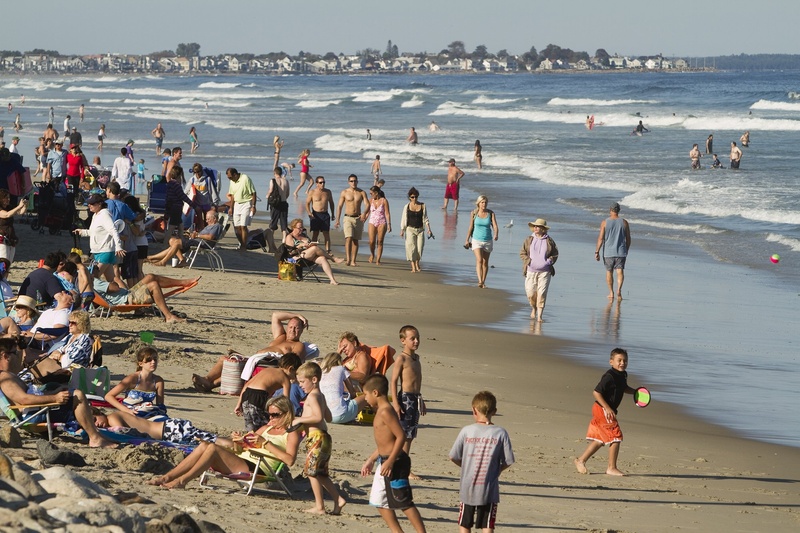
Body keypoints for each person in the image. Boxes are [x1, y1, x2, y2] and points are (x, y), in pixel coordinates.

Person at [145, 396, 299, 490]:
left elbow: (290, 460)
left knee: (212, 447)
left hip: (259, 468)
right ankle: (167, 478)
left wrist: (265, 444)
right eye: (269, 414)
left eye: (275, 415)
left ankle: (182, 481)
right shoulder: (265, 428)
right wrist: (239, 442)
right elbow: (241, 449)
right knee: (205, 445)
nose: (270, 418)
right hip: (242, 460)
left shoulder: (291, 434)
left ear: (287, 414)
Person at [0, 338, 116, 449]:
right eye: (16, 353)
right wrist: (55, 398)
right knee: (78, 396)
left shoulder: (8, 376)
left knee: (59, 387)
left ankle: (94, 432)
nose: (20, 357)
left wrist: (55, 392)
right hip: (33, 417)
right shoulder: (5, 378)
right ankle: (95, 438)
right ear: (6, 356)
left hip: (34, 412)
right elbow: (24, 399)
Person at [360, 374, 426, 532]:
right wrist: (371, 460)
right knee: (378, 501)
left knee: (403, 502)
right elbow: (385, 443)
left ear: (375, 393)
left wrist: (390, 461)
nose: (365, 398)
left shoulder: (385, 411)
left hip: (395, 462)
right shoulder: (380, 411)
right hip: (383, 461)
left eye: (366, 394)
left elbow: (401, 436)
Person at [449, 391, 515, 533]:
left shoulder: (467, 430)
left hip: (468, 486)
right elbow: (509, 460)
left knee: (465, 523)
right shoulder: (500, 432)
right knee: (487, 525)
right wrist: (497, 470)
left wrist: (465, 465)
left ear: (474, 410)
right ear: (494, 412)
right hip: (489, 487)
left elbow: (453, 456)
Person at [192, 311, 308, 392]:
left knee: (231, 362)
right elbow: (276, 316)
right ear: (287, 327)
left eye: (297, 328)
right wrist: (297, 315)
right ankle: (208, 381)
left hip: (268, 363)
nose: (293, 330)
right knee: (224, 359)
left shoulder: (298, 345)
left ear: (302, 330)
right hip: (257, 359)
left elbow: (293, 361)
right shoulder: (280, 336)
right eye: (291, 327)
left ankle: (208, 383)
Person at [293, 362, 346, 515]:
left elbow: (318, 416)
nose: (300, 385)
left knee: (312, 473)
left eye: (302, 382)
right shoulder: (320, 396)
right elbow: (328, 417)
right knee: (320, 473)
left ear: (314, 379)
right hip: (323, 438)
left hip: (317, 438)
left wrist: (299, 420)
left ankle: (319, 506)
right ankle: (338, 500)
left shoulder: (313, 396)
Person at [575, 348, 637, 476]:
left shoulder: (623, 374)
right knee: (616, 436)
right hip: (603, 409)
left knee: (600, 440)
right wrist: (607, 408)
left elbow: (623, 388)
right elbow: (596, 392)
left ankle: (581, 460)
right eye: (619, 360)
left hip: (602, 409)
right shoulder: (609, 376)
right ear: (611, 362)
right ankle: (611, 467)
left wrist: (636, 392)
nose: (622, 363)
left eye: (625, 360)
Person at [391, 325, 426, 480]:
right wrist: (396, 403)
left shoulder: (416, 358)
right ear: (403, 340)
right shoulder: (402, 358)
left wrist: (421, 399)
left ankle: (402, 465)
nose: (416, 341)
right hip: (405, 399)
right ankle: (402, 467)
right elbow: (393, 381)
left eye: (417, 337)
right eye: (412, 338)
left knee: (410, 434)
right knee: (403, 434)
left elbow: (417, 381)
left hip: (415, 398)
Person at [93, 272, 197, 323]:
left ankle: (183, 282)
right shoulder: (94, 282)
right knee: (153, 285)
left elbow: (119, 286)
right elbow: (115, 288)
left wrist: (115, 281)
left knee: (150, 277)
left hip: (128, 293)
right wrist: (112, 282)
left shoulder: (91, 280)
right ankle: (169, 316)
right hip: (127, 300)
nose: (98, 270)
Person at [234, 353, 300, 431]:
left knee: (250, 426)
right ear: (291, 369)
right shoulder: (285, 379)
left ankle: (249, 439)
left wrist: (238, 404)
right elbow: (285, 402)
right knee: (265, 426)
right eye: (295, 374)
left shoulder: (267, 370)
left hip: (246, 395)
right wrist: (289, 417)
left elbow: (247, 385)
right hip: (259, 397)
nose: (295, 377)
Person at [104, 346, 166, 419]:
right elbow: (108, 396)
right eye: (149, 360)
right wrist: (126, 410)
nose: (153, 362)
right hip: (131, 413)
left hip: (148, 412)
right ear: (140, 363)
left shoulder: (158, 381)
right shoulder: (132, 378)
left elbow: (160, 405)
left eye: (155, 359)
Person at [75, 194, 125, 284]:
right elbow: (93, 231)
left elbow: (114, 230)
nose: (89, 205)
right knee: (113, 279)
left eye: (92, 204)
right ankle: (126, 294)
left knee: (93, 277)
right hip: (98, 251)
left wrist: (118, 247)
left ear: (100, 204)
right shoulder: (96, 215)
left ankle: (127, 295)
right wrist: (82, 232)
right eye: (89, 204)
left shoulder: (105, 214)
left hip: (106, 251)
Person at [520, 219, 558, 322]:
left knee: (542, 293)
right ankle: (534, 308)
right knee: (530, 292)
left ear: (543, 229)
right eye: (535, 226)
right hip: (531, 270)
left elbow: (555, 254)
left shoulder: (549, 241)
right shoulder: (529, 239)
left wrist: (549, 262)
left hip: (545, 272)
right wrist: (529, 261)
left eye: (538, 226)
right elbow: (522, 253)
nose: (535, 228)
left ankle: (540, 315)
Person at [284, 218, 343, 285]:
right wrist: (300, 245)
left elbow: (310, 245)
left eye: (302, 227)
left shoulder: (303, 235)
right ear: (293, 228)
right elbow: (290, 252)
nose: (301, 229)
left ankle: (332, 280)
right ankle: (333, 259)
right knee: (315, 248)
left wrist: (309, 245)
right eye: (299, 228)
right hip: (296, 258)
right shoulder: (290, 237)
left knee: (322, 259)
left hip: (308, 256)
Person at [319, 352, 368, 424]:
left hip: (326, 417)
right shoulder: (341, 369)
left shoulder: (321, 372)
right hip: (339, 415)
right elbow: (351, 391)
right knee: (367, 396)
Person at [595, 202, 631, 300]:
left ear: (610, 210)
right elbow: (628, 238)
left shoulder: (605, 222)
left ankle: (611, 292)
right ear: (618, 210)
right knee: (620, 271)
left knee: (609, 271)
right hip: (621, 251)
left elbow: (600, 238)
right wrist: (626, 249)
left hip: (608, 252)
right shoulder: (624, 222)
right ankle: (619, 289)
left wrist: (597, 251)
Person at [465, 195, 499, 289]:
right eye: (482, 202)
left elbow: (495, 226)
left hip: (488, 240)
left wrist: (496, 234)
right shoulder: (474, 213)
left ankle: (483, 281)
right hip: (476, 240)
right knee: (479, 260)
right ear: (478, 203)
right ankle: (480, 281)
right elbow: (470, 227)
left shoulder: (491, 213)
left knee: (485, 262)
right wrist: (467, 239)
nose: (484, 204)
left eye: (485, 202)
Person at [335, 174, 369, 266]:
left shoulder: (362, 192)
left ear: (357, 181)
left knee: (355, 240)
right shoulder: (344, 192)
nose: (353, 182)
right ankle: (348, 259)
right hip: (348, 217)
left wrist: (364, 213)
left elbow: (367, 204)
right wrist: (337, 219)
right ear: (348, 182)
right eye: (351, 181)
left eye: (355, 181)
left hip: (358, 218)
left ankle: (354, 260)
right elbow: (340, 206)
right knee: (348, 238)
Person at [400, 187, 433, 273]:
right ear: (409, 197)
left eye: (416, 197)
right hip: (410, 229)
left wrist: (429, 229)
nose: (414, 199)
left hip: (420, 230)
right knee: (411, 248)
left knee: (419, 248)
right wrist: (402, 230)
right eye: (412, 197)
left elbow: (425, 218)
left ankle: (417, 262)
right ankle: (413, 266)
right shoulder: (406, 206)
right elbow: (404, 218)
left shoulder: (423, 206)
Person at [225, 167, 257, 251]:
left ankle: (243, 246)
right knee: (237, 227)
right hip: (237, 204)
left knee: (243, 226)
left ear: (235, 175)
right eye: (228, 178)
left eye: (230, 177)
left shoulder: (245, 178)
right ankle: (242, 243)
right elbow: (232, 195)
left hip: (246, 203)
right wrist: (231, 208)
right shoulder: (232, 182)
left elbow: (253, 192)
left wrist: (253, 206)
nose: (229, 179)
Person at [306, 175, 335, 252]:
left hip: (325, 214)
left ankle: (328, 251)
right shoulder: (312, 192)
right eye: (320, 182)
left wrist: (333, 214)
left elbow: (331, 203)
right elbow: (307, 203)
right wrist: (309, 213)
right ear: (317, 183)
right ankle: (312, 250)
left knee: (326, 233)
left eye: (323, 182)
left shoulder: (328, 192)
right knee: (315, 233)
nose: (322, 184)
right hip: (315, 215)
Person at [365, 186, 391, 265]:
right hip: (372, 221)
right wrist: (363, 220)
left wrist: (389, 224)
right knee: (371, 241)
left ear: (376, 193)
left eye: (371, 193)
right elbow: (368, 212)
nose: (370, 195)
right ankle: (372, 254)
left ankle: (378, 260)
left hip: (382, 222)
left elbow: (387, 213)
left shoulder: (384, 201)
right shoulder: (370, 201)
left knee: (380, 241)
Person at [267, 166, 290, 252]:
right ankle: (284, 240)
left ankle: (271, 242)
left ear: (274, 173)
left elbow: (271, 190)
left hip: (275, 204)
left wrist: (267, 196)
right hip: (284, 203)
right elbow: (287, 193)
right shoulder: (286, 181)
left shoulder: (272, 180)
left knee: (273, 223)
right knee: (284, 224)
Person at [0, 189, 26, 264]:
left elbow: (20, 212)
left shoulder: (9, 207)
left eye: (9, 197)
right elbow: (6, 214)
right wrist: (19, 206)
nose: (8, 199)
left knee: (9, 263)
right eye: (6, 198)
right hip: (2, 238)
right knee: (3, 262)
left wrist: (24, 206)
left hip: (11, 237)